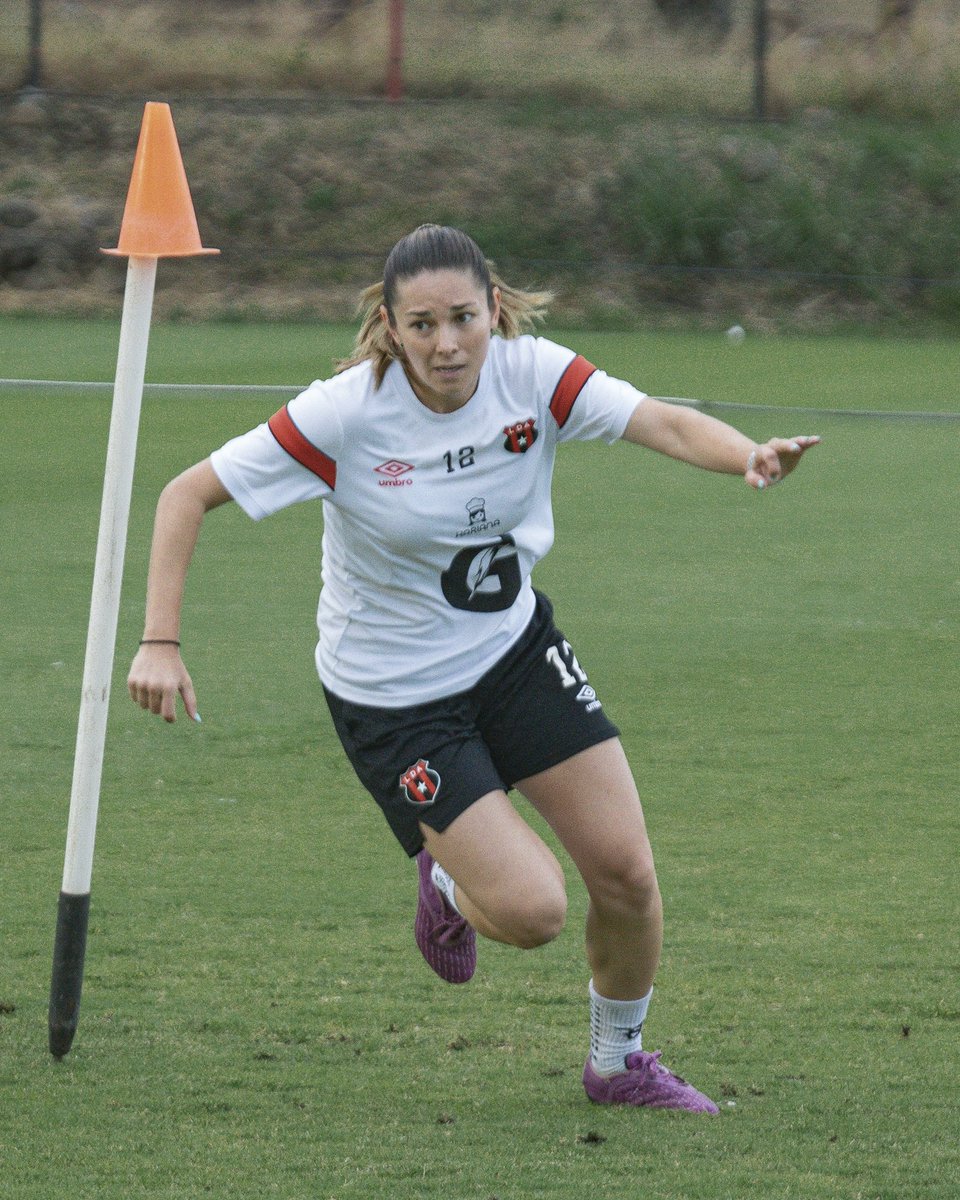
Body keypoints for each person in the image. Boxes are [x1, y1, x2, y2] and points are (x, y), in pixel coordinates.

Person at [128, 224, 819, 1114]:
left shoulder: (533, 374)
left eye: (463, 318)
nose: (446, 344)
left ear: (493, 308)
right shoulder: (343, 413)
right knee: (535, 913)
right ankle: (446, 875)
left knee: (627, 875)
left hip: (513, 655)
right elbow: (187, 493)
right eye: (422, 325)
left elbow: (663, 421)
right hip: (395, 699)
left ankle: (618, 1063)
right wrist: (159, 642)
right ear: (390, 324)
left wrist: (748, 457)